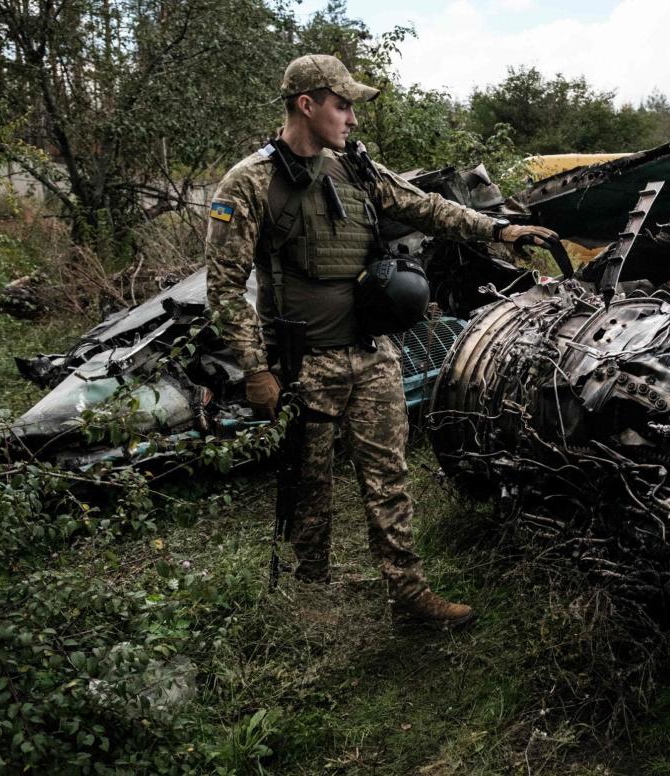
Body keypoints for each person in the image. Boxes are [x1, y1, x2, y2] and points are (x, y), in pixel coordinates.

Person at [205, 54, 556, 627]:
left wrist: (499, 228)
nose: (351, 118)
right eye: (342, 105)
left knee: (388, 478)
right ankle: (310, 598)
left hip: (370, 353)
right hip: (303, 364)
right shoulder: (248, 184)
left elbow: (427, 207)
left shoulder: (357, 169)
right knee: (310, 489)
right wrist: (255, 370)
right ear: (307, 104)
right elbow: (222, 285)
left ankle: (409, 598)